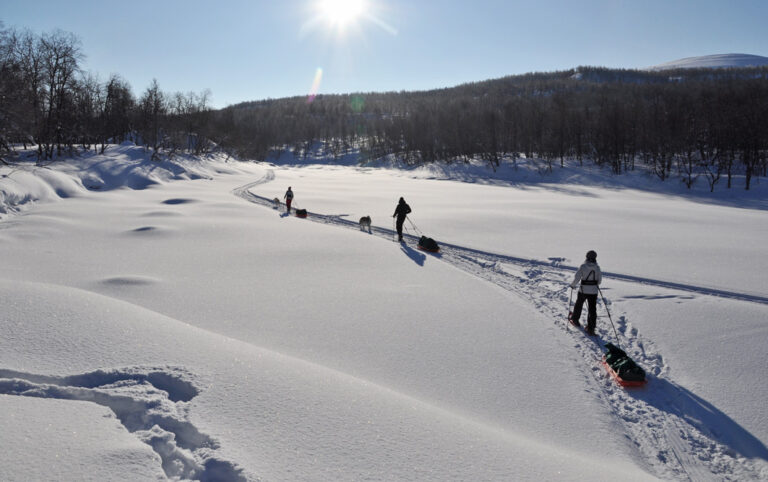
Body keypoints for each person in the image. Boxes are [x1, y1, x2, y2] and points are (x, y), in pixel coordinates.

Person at [570, 250, 602, 335]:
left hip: (583, 290)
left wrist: (573, 285)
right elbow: (599, 281)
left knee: (579, 304)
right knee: (592, 309)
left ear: (587, 257)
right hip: (593, 292)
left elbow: (577, 278)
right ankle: (591, 328)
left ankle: (575, 319)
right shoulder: (597, 268)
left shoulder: (583, 266)